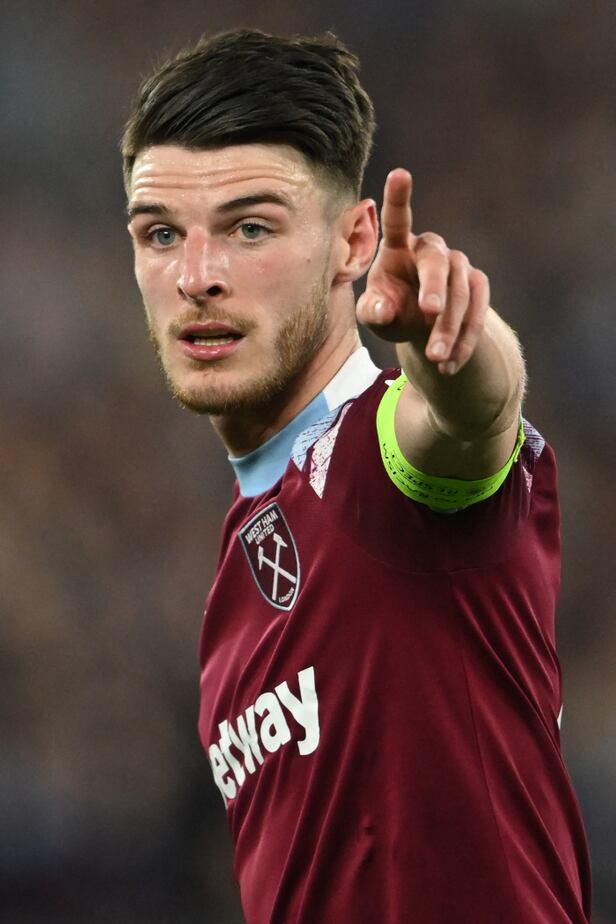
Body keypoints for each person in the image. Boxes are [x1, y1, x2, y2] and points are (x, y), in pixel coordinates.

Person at [121, 29, 591, 924]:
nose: (196, 277)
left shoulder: (374, 459)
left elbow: (467, 421)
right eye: (161, 234)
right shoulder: (235, 580)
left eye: (250, 228)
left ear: (355, 242)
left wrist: (453, 345)